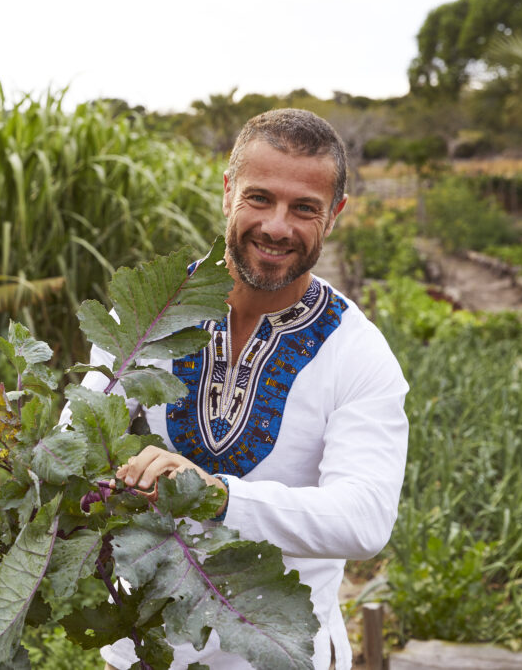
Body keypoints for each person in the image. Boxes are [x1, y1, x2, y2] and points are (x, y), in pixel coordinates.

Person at [69, 108, 409, 670]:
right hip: (141, 656)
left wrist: (218, 495)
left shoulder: (358, 353)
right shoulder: (146, 314)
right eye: (259, 198)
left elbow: (364, 518)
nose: (277, 226)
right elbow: (76, 441)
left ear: (336, 214)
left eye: (305, 208)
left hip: (281, 657)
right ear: (228, 192)